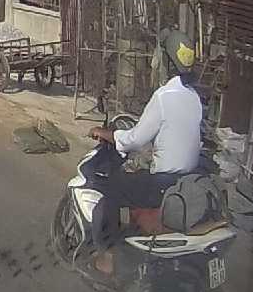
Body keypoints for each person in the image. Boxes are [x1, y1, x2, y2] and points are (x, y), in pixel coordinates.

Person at [85, 28, 202, 275]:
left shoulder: (163, 96)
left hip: (163, 182)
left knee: (111, 187)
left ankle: (107, 257)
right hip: (186, 181)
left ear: (167, 63)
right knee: (137, 178)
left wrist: (105, 133)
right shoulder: (194, 97)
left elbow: (134, 139)